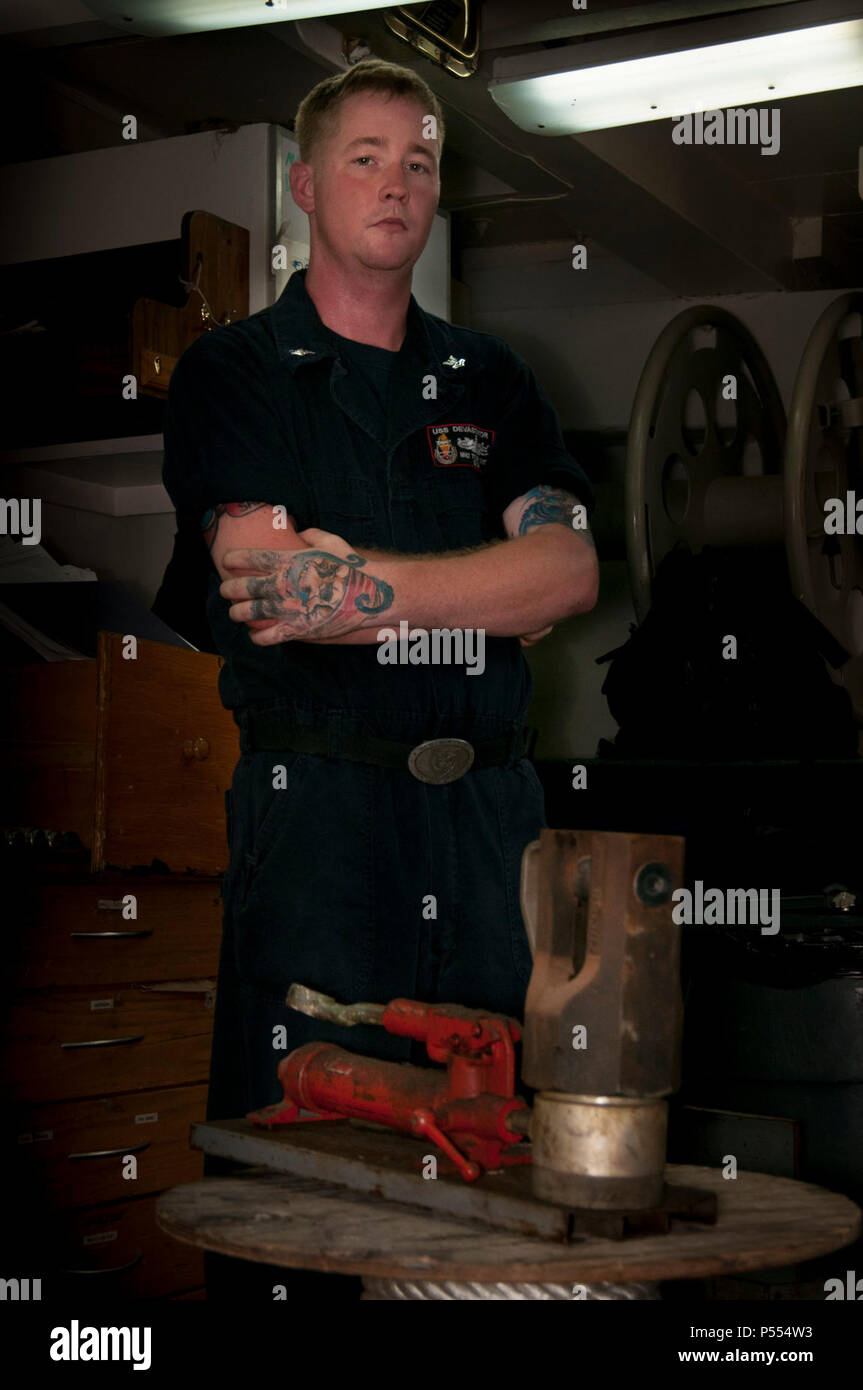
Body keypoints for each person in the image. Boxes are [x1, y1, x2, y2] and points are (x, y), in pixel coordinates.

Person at [160, 57, 598, 1299]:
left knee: (495, 1154)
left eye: (418, 160)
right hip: (321, 817)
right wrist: (475, 588)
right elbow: (264, 587)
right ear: (305, 186)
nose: (395, 182)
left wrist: (365, 588)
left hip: (486, 828)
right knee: (301, 1158)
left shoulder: (493, 380)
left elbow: (567, 573)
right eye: (364, 157)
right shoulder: (237, 371)